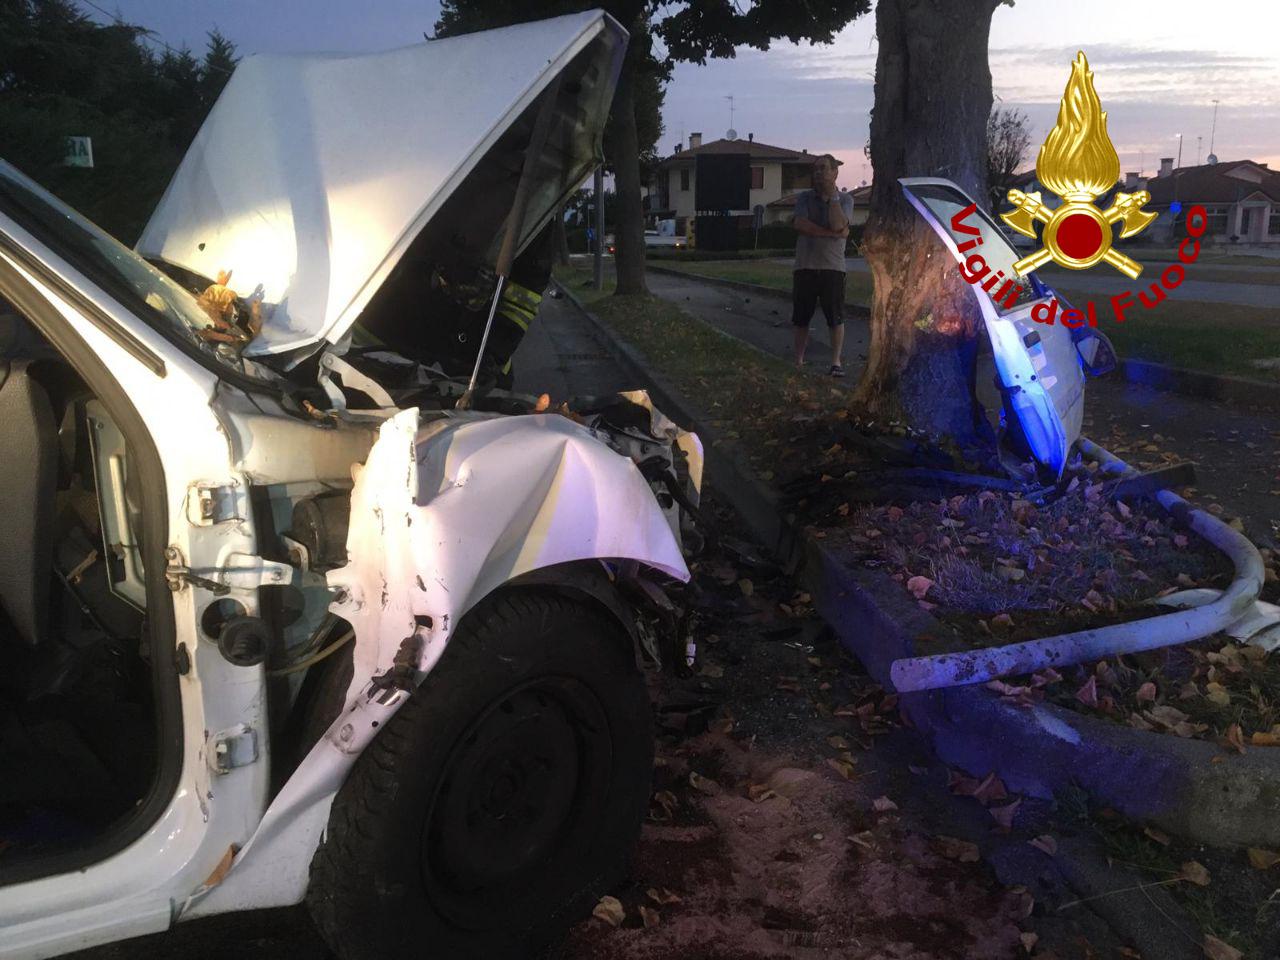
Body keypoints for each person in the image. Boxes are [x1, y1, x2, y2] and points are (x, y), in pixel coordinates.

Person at [791, 154, 853, 376]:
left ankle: (835, 362)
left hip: (833, 267)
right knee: (801, 316)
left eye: (824, 169)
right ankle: (798, 360)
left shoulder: (845, 200)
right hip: (805, 265)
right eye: (816, 169)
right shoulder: (804, 199)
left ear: (835, 172)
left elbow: (840, 223)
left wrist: (833, 197)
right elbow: (801, 224)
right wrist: (833, 234)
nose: (819, 173)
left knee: (835, 316)